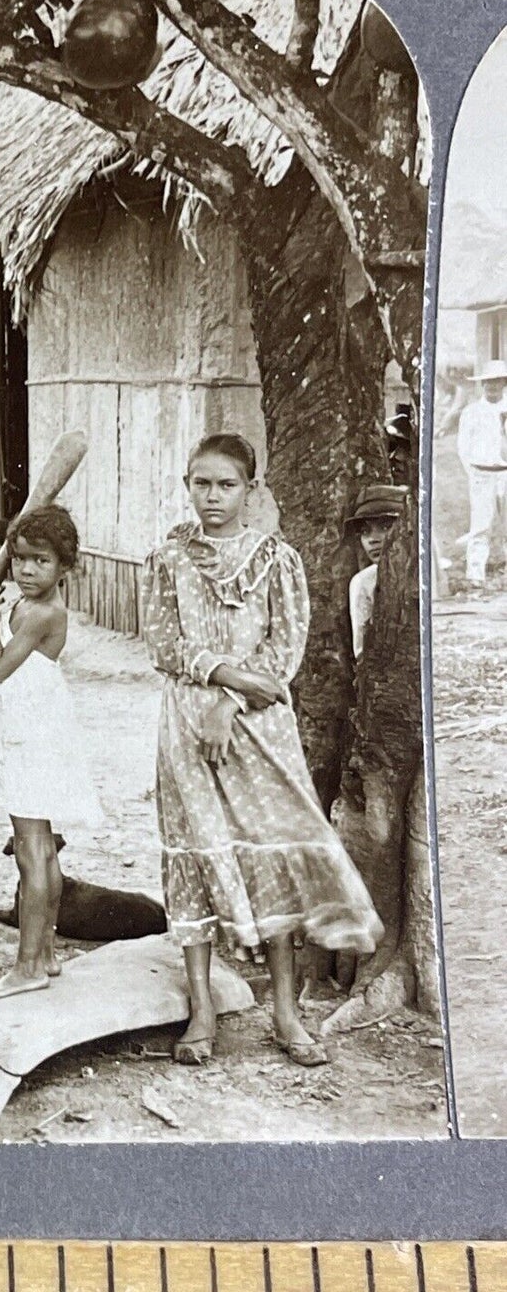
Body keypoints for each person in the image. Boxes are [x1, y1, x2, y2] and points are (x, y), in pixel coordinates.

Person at [141, 433, 384, 1068]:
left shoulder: (278, 560)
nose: (213, 497)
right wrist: (223, 678)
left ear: (252, 489)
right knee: (195, 858)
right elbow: (163, 646)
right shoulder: (168, 559)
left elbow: (284, 651)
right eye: (201, 483)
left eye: (227, 484)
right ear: (186, 485)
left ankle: (285, 1013)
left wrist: (234, 699)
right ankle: (200, 1013)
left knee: (273, 862)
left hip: (260, 730)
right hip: (189, 732)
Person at [0, 505, 104, 998]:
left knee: (33, 852)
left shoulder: (45, 613)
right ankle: (44, 955)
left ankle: (27, 965)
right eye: (20, 559)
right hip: (19, 735)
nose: (26, 570)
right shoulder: (22, 606)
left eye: (40, 561)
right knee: (40, 849)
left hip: (35, 739)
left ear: (65, 566)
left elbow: (0, 670)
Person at [457, 360, 507, 587]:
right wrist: (473, 472)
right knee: (481, 525)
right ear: (482, 385)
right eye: (488, 382)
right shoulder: (472, 412)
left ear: (504, 383)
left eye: (497, 382)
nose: (493, 387)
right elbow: (463, 447)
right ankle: (476, 574)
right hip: (482, 473)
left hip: (505, 472)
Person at [346, 484, 408, 660]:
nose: (373, 539)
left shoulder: (425, 572)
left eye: (385, 527)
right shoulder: (364, 582)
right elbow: (362, 652)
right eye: (365, 531)